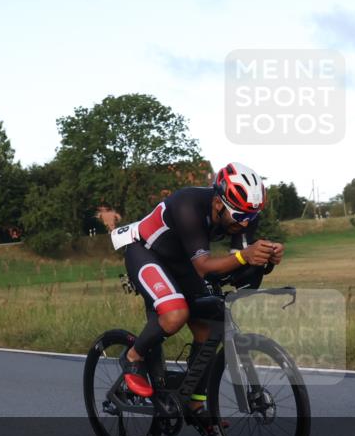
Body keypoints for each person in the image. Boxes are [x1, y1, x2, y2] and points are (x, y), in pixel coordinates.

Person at [115, 162, 283, 418]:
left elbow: (237, 269)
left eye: (251, 217)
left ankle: (193, 404)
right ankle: (133, 357)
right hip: (146, 252)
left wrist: (265, 260)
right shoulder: (188, 204)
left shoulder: (244, 214)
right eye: (240, 217)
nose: (245, 224)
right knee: (175, 315)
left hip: (183, 262)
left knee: (207, 330)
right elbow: (205, 267)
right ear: (218, 203)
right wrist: (246, 257)